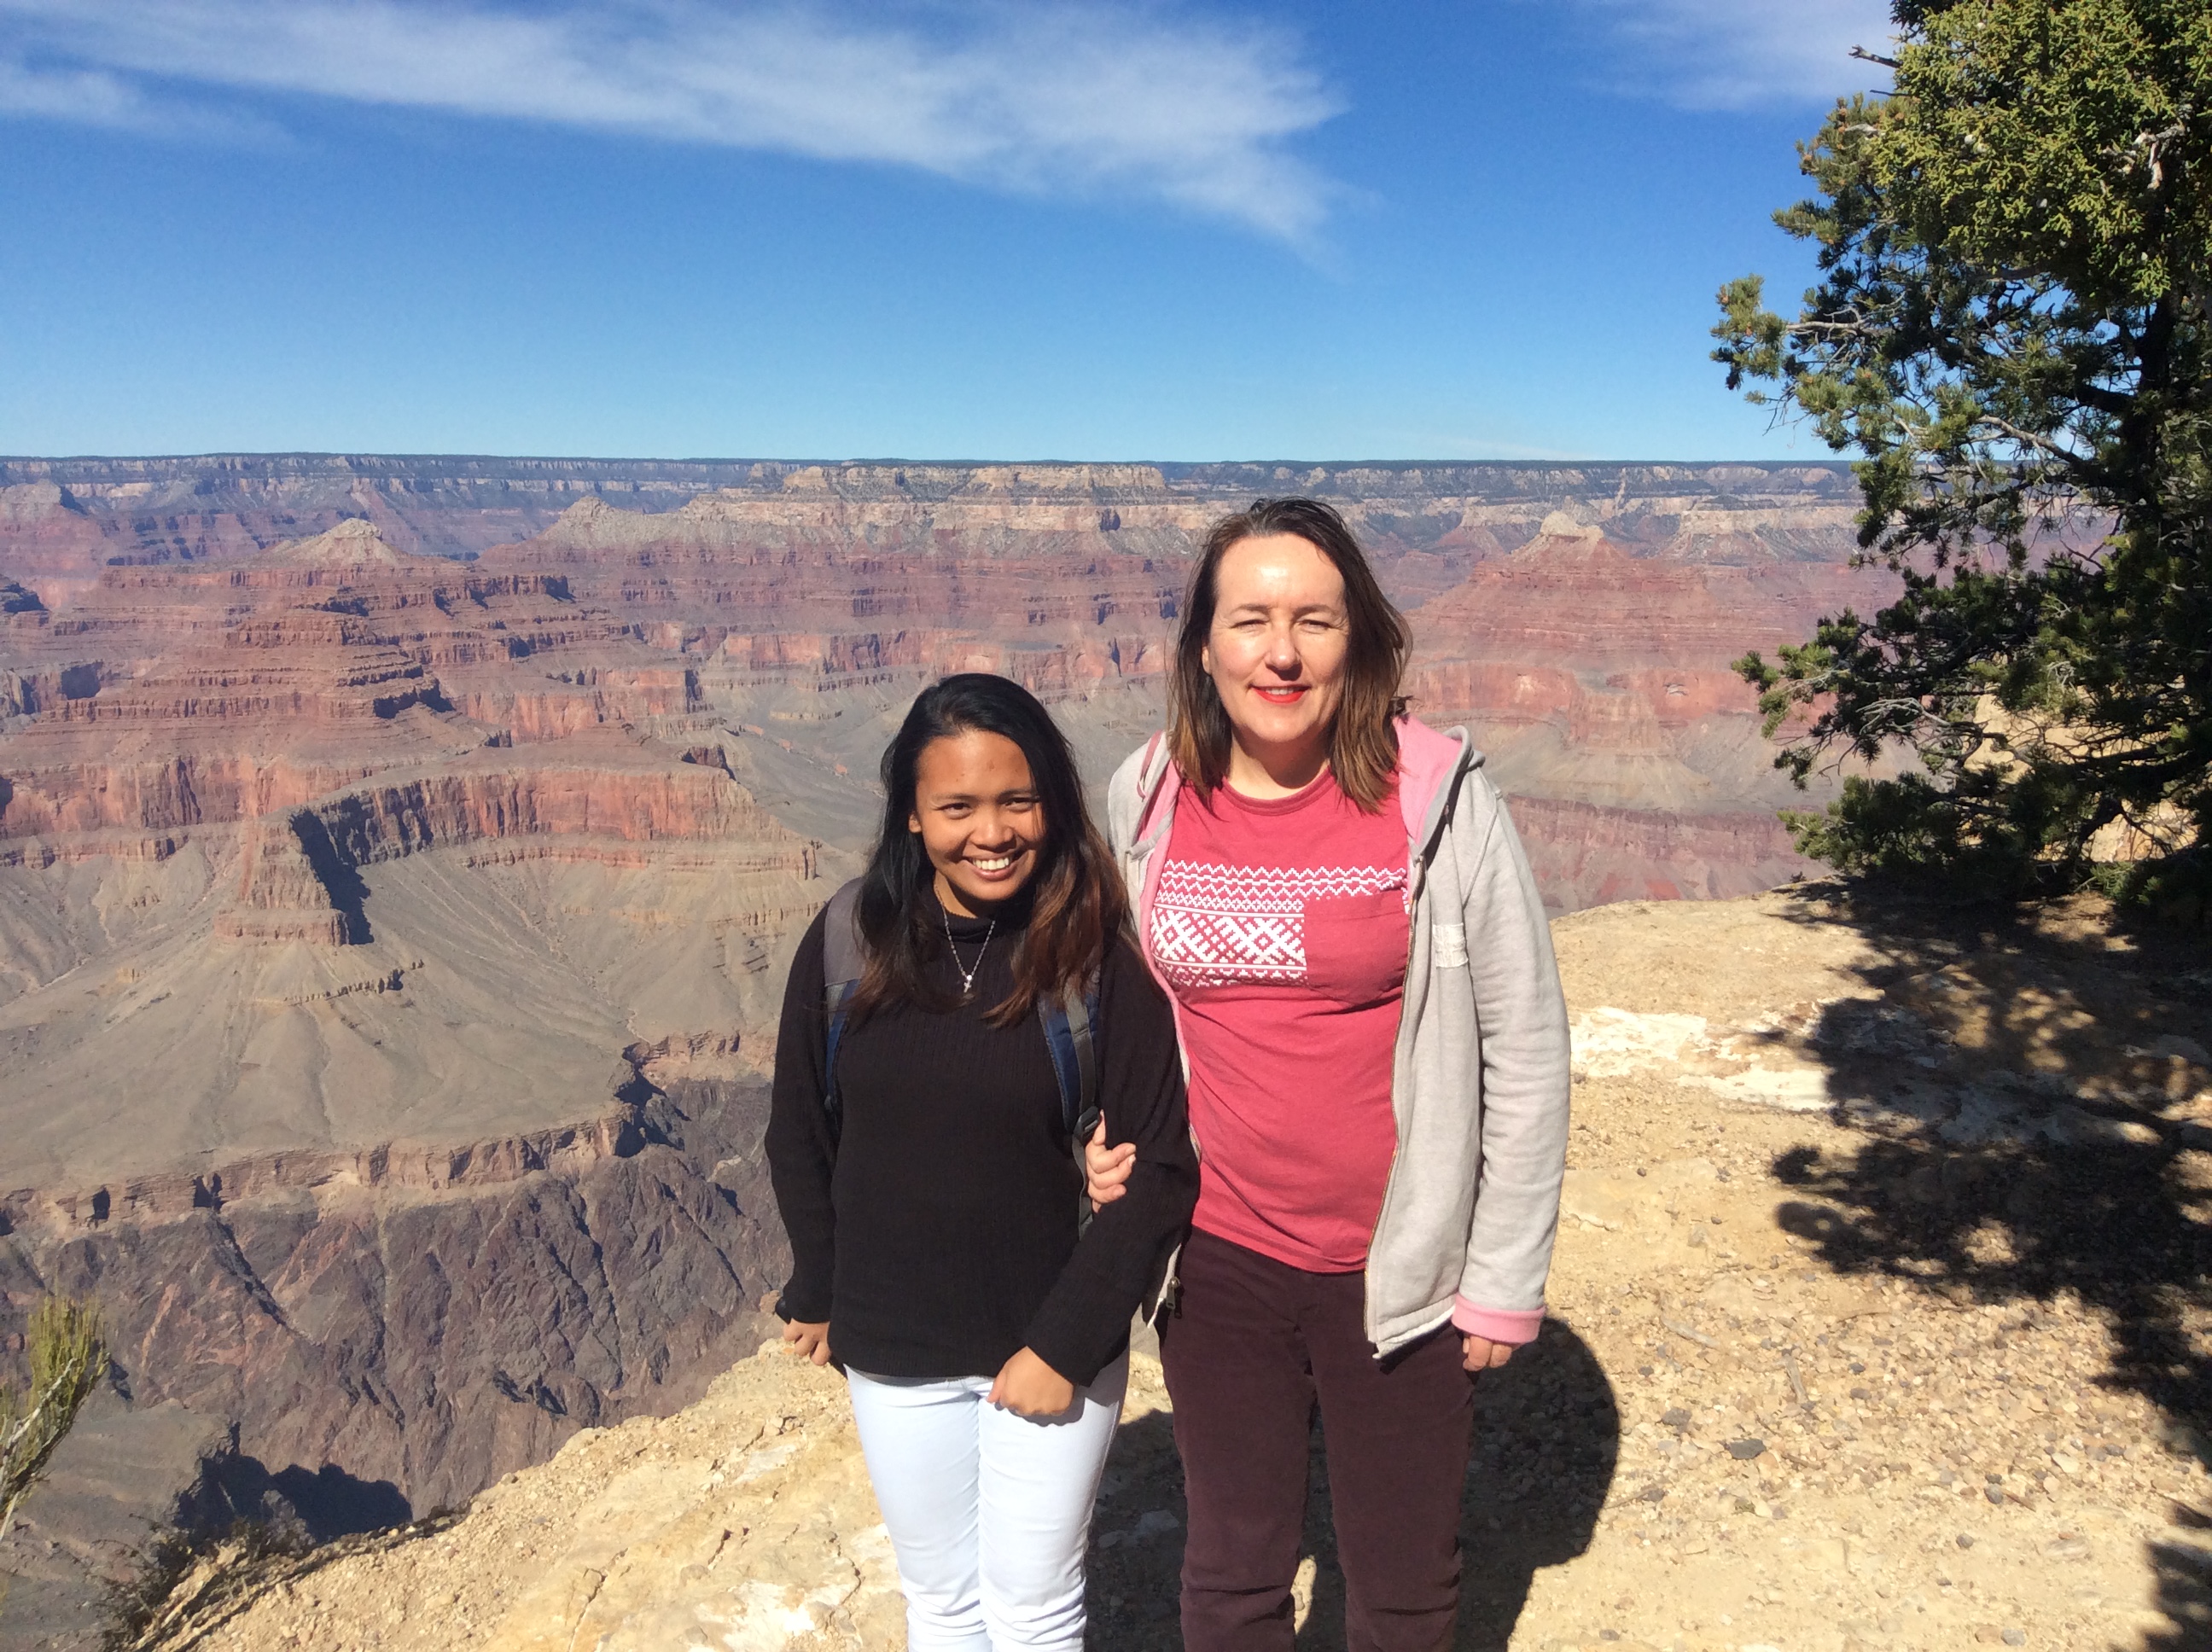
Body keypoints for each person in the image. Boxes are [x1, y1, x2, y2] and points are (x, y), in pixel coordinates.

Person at [1083, 497, 1572, 1650]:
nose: (1283, 652)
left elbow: (1528, 1042)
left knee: (1400, 1579)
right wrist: (1104, 1142)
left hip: (1395, 1265)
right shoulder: (1148, 793)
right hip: (1215, 1259)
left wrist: (1502, 1274)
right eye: (1250, 620)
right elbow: (1134, 1014)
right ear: (1204, 643)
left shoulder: (1435, 798)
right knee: (1233, 1566)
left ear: (1360, 638)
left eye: (1315, 619)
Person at [765, 672, 1197, 1652]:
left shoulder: (1093, 957)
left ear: (1051, 800)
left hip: (1047, 1336)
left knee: (1033, 1605)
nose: (991, 831)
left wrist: (1064, 1344)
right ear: (913, 817)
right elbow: (801, 1125)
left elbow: (1162, 1166)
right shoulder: (850, 939)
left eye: (1017, 800)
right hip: (896, 1344)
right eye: (957, 805)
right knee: (945, 1604)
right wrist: (819, 1285)